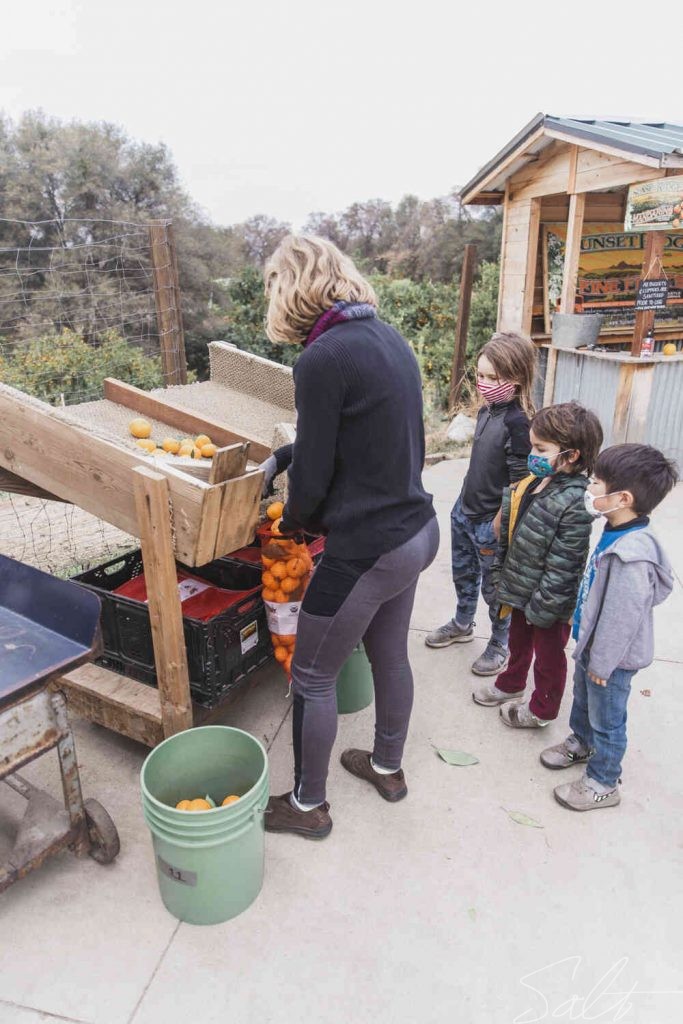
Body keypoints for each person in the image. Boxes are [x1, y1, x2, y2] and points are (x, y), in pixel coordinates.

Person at [261, 235, 439, 840]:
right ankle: (387, 767)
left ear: (291, 288)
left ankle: (307, 806)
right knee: (390, 655)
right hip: (416, 531)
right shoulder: (387, 338)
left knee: (312, 678)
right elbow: (361, 436)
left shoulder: (321, 358)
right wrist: (284, 454)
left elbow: (313, 477)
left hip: (368, 550)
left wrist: (291, 522)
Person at [542, 443, 677, 811]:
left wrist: (602, 662)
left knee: (607, 718)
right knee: (584, 702)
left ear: (623, 497)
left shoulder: (631, 555)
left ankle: (603, 781)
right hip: (594, 648)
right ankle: (580, 743)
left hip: (611, 660)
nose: (590, 488)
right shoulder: (615, 529)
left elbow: (622, 618)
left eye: (598, 482)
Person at [473, 401, 603, 727]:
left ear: (571, 455)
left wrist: (544, 606)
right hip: (522, 587)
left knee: (548, 658)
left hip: (549, 600)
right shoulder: (536, 480)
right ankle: (512, 683)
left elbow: (565, 565)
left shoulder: (576, 502)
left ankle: (542, 709)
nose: (533, 454)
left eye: (540, 448)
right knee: (518, 642)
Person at [425, 333, 536, 676]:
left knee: (495, 589)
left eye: (492, 377)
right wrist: (461, 503)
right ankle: (462, 623)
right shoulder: (488, 410)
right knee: (464, 574)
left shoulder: (518, 423)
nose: (484, 383)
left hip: (490, 521)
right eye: (481, 376)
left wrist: (499, 524)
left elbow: (519, 484)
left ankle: (499, 643)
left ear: (515, 379)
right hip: (465, 511)